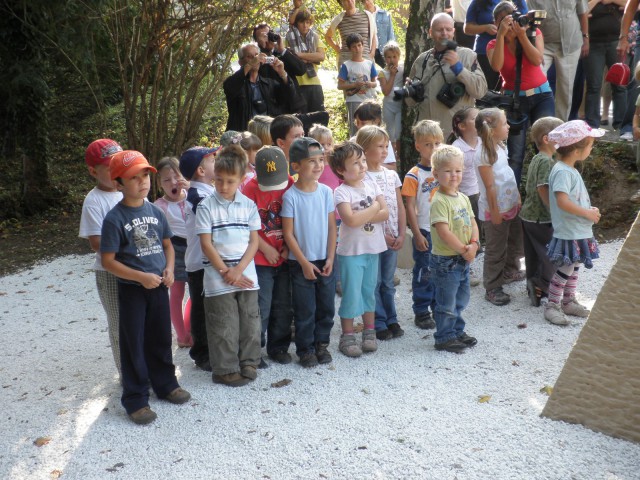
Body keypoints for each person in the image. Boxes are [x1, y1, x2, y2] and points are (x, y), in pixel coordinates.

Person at [101, 150, 191, 425]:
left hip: (158, 287)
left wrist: (168, 269)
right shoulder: (114, 218)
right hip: (132, 290)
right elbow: (108, 261)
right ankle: (136, 398)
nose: (142, 182)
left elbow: (167, 244)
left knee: (161, 337)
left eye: (144, 176)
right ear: (118, 184)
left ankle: (165, 384)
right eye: (133, 178)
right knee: (134, 343)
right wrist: (140, 277)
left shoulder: (155, 210)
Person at [195, 145, 262, 387]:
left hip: (245, 274)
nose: (223, 187)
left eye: (230, 181)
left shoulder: (248, 205)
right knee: (224, 323)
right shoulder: (205, 206)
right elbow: (206, 244)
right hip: (217, 278)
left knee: (250, 320)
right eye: (219, 181)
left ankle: (249, 361)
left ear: (242, 179)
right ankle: (224, 369)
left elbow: (254, 241)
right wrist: (226, 271)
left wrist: (238, 270)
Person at [330, 141, 388, 358]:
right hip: (352, 252)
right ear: (340, 170)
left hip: (373, 249)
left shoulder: (372, 184)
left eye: (363, 160)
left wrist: (368, 212)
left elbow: (386, 213)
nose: (363, 166)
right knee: (351, 294)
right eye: (356, 163)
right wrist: (373, 207)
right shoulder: (341, 192)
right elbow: (350, 220)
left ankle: (369, 332)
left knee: (368, 291)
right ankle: (347, 335)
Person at [282, 137, 337, 367]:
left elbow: (332, 227)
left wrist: (332, 257)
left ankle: (321, 345)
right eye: (311, 161)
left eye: (321, 160)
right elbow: (288, 234)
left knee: (326, 306)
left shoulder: (325, 192)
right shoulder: (290, 196)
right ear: (295, 166)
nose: (318, 165)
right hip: (300, 262)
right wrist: (304, 262)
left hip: (325, 260)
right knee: (305, 309)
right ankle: (305, 349)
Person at [487, 1, 555, 185]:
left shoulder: (533, 33)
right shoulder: (493, 44)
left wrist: (522, 36)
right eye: (504, 21)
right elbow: (496, 66)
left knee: (546, 146)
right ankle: (513, 202)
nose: (509, 24)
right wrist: (501, 35)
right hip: (515, 101)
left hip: (542, 96)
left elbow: (537, 60)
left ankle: (547, 194)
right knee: (515, 154)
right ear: (496, 22)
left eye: (512, 18)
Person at [544, 120, 604, 325]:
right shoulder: (562, 171)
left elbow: (575, 198)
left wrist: (589, 210)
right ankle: (552, 305)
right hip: (570, 230)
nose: (591, 149)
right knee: (566, 268)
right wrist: (586, 214)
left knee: (575, 265)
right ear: (577, 150)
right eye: (590, 145)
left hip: (578, 229)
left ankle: (568, 301)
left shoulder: (569, 169)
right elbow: (562, 201)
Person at [242, 146, 295, 366]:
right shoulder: (249, 189)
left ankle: (279, 347)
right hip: (260, 258)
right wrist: (265, 248)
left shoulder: (291, 183)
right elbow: (245, 226)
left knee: (284, 304)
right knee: (261, 306)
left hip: (286, 255)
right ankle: (255, 350)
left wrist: (288, 248)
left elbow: (299, 216)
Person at [79, 138, 124, 376]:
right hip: (110, 272)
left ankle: (147, 368)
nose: (116, 172)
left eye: (119, 164)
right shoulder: (94, 200)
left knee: (142, 321)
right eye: (109, 167)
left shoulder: (130, 189)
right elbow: (96, 242)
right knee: (119, 324)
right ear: (93, 171)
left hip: (139, 268)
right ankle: (128, 374)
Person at [357, 125, 406, 341]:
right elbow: (363, 212)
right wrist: (381, 235)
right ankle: (377, 320)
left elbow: (400, 205)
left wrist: (402, 232)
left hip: (393, 236)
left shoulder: (392, 174)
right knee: (373, 281)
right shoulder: (361, 177)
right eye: (380, 146)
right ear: (364, 150)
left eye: (386, 146)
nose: (385, 150)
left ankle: (392, 318)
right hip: (373, 238)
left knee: (388, 281)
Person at [406, 13, 488, 141]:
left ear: (454, 31)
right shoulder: (422, 60)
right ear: (430, 32)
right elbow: (409, 102)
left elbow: (480, 91)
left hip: (457, 136)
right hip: (428, 136)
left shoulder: (467, 55)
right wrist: (410, 91)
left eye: (448, 29)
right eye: (439, 30)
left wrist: (458, 68)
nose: (444, 33)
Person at [429, 145, 480, 353]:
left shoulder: (463, 198)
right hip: (446, 261)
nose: (453, 175)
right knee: (446, 301)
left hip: (463, 257)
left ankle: (457, 330)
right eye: (448, 171)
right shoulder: (439, 201)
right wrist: (463, 249)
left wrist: (475, 244)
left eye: (457, 171)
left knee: (461, 298)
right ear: (436, 173)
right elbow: (444, 232)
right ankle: (444, 337)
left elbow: (473, 222)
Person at [474, 108, 524, 306]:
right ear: (491, 129)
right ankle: (492, 286)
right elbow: (489, 185)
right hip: (495, 209)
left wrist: (517, 196)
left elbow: (508, 174)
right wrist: (494, 211)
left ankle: (510, 270)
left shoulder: (500, 146)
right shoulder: (483, 153)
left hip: (509, 204)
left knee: (513, 240)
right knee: (496, 248)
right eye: (504, 123)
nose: (508, 126)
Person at [180, 146, 219, 372]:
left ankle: (210, 348)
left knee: (208, 306)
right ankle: (201, 352)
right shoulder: (198, 197)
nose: (217, 162)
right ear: (201, 170)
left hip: (206, 260)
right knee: (201, 309)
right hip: (200, 262)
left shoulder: (206, 192)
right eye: (213, 160)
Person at [401, 120, 443, 330]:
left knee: (440, 270)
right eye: (428, 144)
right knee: (424, 272)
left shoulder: (443, 171)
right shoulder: (413, 175)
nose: (433, 148)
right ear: (418, 145)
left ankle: (438, 307)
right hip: (425, 230)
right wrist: (416, 234)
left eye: (437, 143)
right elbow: (410, 207)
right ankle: (421, 310)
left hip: (441, 230)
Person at [519, 116, 563, 307]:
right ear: (546, 139)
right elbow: (542, 188)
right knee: (551, 255)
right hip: (541, 218)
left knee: (533, 254)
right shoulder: (546, 162)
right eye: (559, 136)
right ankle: (541, 284)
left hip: (528, 216)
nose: (563, 140)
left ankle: (534, 288)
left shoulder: (538, 158)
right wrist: (554, 213)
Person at [527, 0, 590, 122]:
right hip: (543, 45)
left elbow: (583, 13)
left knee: (566, 89)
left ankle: (560, 125)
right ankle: (538, 123)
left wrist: (585, 37)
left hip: (571, 44)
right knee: (537, 83)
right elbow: (530, 19)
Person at [154, 157, 192, 348]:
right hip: (174, 248)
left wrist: (191, 188)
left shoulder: (194, 194)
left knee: (196, 291)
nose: (173, 183)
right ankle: (181, 335)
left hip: (195, 246)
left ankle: (190, 329)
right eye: (166, 180)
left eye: (176, 177)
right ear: (160, 183)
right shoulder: (159, 206)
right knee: (177, 292)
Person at [223, 43, 296, 132]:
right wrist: (250, 64)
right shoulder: (235, 83)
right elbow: (230, 86)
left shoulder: (270, 84)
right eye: (249, 56)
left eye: (257, 55)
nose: (255, 59)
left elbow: (290, 97)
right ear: (240, 62)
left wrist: (282, 73)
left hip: (267, 134)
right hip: (242, 136)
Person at [450, 106, 482, 287]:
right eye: (475, 119)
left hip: (479, 193)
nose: (480, 122)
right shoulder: (457, 148)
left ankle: (472, 258)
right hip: (463, 196)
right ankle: (464, 266)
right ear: (461, 126)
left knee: (476, 230)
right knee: (463, 231)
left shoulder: (481, 142)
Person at [464, 0, 528, 90]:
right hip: (483, 52)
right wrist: (485, 28)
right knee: (486, 89)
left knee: (511, 87)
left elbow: (525, 23)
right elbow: (467, 28)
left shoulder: (518, 1)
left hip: (511, 49)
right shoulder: (477, 2)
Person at [583, 0, 627, 130]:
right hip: (593, 44)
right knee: (594, 85)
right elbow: (582, 12)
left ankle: (620, 125)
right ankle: (591, 125)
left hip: (616, 42)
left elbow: (630, 5)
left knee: (620, 85)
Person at [286, 8, 326, 113]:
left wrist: (298, 54)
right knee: (300, 119)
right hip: (297, 83)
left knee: (317, 116)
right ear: (296, 23)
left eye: (308, 22)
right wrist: (311, 56)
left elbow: (321, 56)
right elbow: (288, 57)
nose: (305, 25)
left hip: (315, 82)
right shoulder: (288, 38)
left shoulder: (315, 37)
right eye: (302, 22)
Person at [338, 33, 378, 137]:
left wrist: (370, 84)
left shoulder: (369, 64)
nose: (357, 49)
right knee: (355, 128)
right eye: (354, 46)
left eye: (359, 45)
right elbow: (340, 85)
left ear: (363, 46)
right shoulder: (346, 65)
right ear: (350, 49)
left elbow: (375, 83)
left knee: (370, 127)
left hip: (368, 99)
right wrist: (354, 85)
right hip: (354, 100)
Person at [325, 0, 377, 70]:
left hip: (365, 58)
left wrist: (372, 53)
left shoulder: (366, 15)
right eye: (346, 0)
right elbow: (328, 37)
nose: (349, 1)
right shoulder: (338, 19)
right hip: (346, 60)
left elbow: (373, 36)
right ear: (341, 3)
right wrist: (337, 49)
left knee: (369, 81)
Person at [352, 100, 397, 170]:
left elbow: (393, 167)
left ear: (376, 121)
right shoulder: (353, 141)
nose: (358, 126)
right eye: (357, 122)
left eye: (363, 123)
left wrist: (373, 164)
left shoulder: (384, 142)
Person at [378, 41, 404, 158]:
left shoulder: (403, 69)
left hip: (400, 105)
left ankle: (399, 157)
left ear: (398, 57)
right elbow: (386, 91)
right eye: (389, 57)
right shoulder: (382, 73)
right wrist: (392, 75)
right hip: (388, 105)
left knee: (398, 131)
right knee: (390, 132)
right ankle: (391, 156)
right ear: (385, 58)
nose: (392, 60)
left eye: (394, 56)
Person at [363, 0, 396, 68]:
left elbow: (390, 33)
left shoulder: (385, 14)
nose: (366, 2)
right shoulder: (362, 16)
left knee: (388, 71)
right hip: (368, 51)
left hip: (383, 50)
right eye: (364, 1)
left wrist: (393, 50)